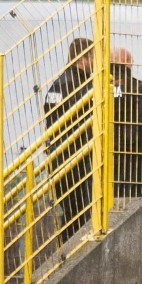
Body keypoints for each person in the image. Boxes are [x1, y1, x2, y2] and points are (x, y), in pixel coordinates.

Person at [43, 37, 94, 243]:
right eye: (93, 57)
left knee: (69, 210)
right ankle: (78, 251)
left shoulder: (58, 83)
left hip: (59, 156)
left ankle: (67, 251)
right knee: (83, 210)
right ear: (82, 58)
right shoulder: (82, 84)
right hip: (78, 155)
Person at [110, 47, 142, 197]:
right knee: (129, 198)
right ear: (128, 64)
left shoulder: (97, 87)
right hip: (131, 154)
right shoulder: (137, 87)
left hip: (102, 154)